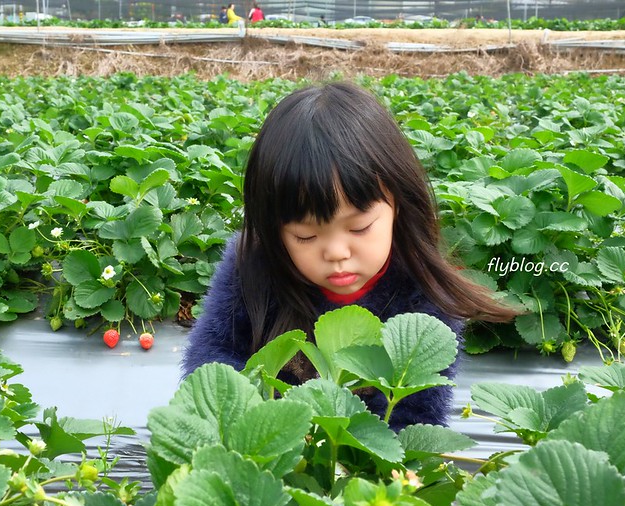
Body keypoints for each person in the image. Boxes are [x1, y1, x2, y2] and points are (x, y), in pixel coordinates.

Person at [181, 82, 517, 430]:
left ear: (398, 205)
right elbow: (210, 368)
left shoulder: (424, 299)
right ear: (273, 230)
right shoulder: (250, 265)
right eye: (305, 236)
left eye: (359, 228)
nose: (337, 253)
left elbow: (415, 422)